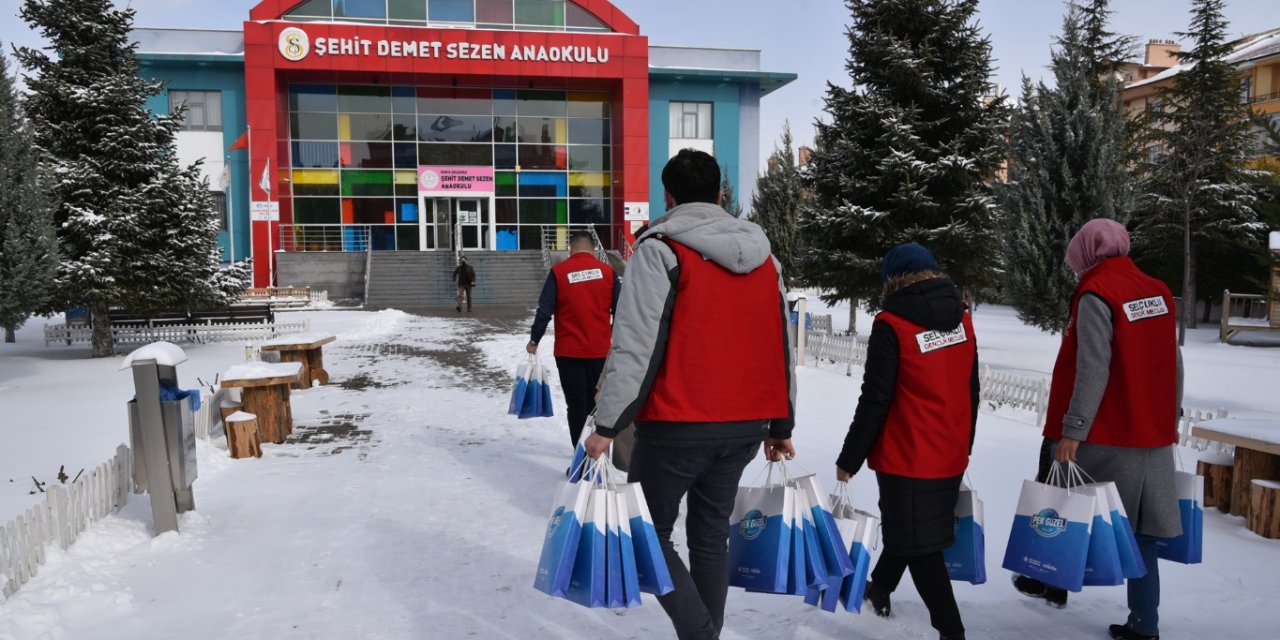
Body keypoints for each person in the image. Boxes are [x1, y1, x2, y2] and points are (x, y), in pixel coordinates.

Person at [582, 149, 797, 640]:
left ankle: (700, 635)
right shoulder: (767, 261)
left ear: (669, 197)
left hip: (677, 424)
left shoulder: (660, 251)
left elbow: (635, 345)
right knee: (708, 538)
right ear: (720, 195)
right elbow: (780, 346)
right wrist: (782, 424)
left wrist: (607, 425)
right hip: (745, 426)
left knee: (647, 535)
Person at [1014, 218, 1182, 640]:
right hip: (1152, 434)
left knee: (1068, 510)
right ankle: (1145, 624)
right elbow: (1174, 362)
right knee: (1141, 532)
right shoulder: (1158, 290)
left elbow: (1092, 367)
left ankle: (1048, 580)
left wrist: (1073, 429)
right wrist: (1169, 417)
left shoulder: (1095, 292)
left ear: (1086, 253)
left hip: (1105, 434)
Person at [835, 243, 977, 640]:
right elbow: (972, 388)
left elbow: (875, 398)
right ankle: (879, 589)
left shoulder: (891, 324)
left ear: (891, 280)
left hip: (907, 455)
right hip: (948, 450)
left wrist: (850, 456)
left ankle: (952, 631)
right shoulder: (963, 319)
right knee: (911, 530)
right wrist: (964, 442)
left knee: (921, 546)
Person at [527, 231, 621, 449]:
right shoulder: (608, 272)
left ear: (570, 249)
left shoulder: (559, 272)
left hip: (568, 352)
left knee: (576, 406)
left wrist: (534, 340)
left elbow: (544, 311)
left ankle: (580, 457)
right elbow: (622, 309)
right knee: (597, 404)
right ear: (594, 249)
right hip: (600, 351)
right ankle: (597, 453)